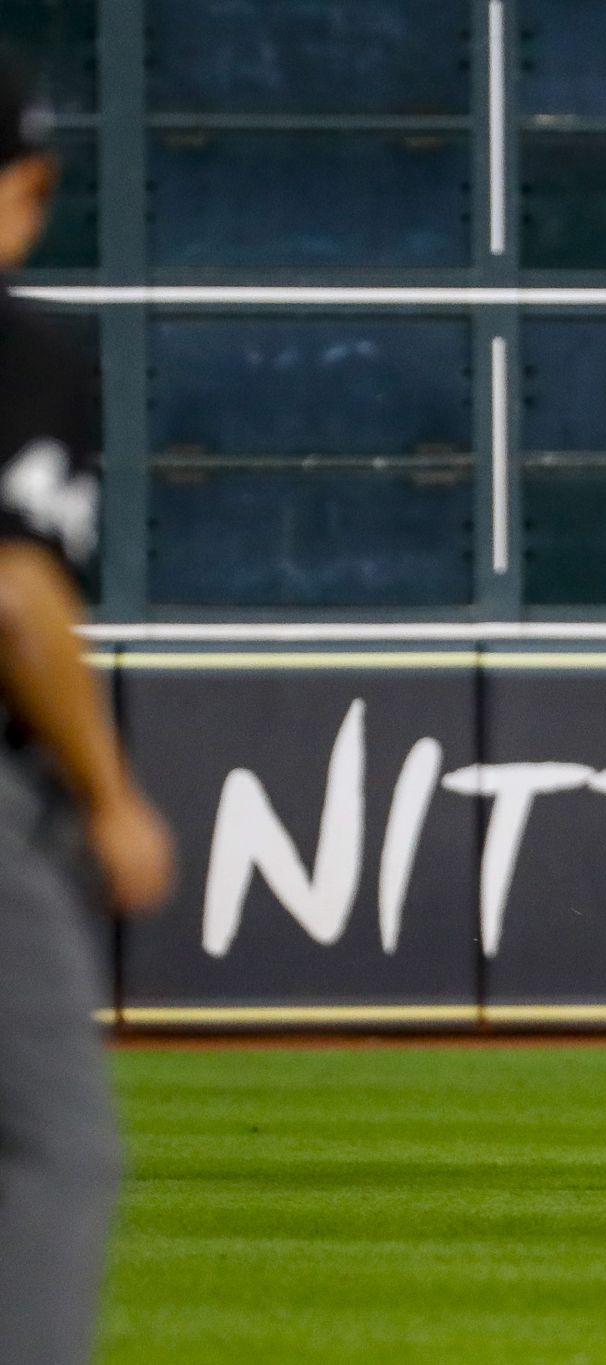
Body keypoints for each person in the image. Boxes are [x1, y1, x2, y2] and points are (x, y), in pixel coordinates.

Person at [0, 54, 176, 1365]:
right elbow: (14, 594)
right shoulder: (26, 351)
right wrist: (111, 795)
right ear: (33, 183)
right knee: (55, 1147)